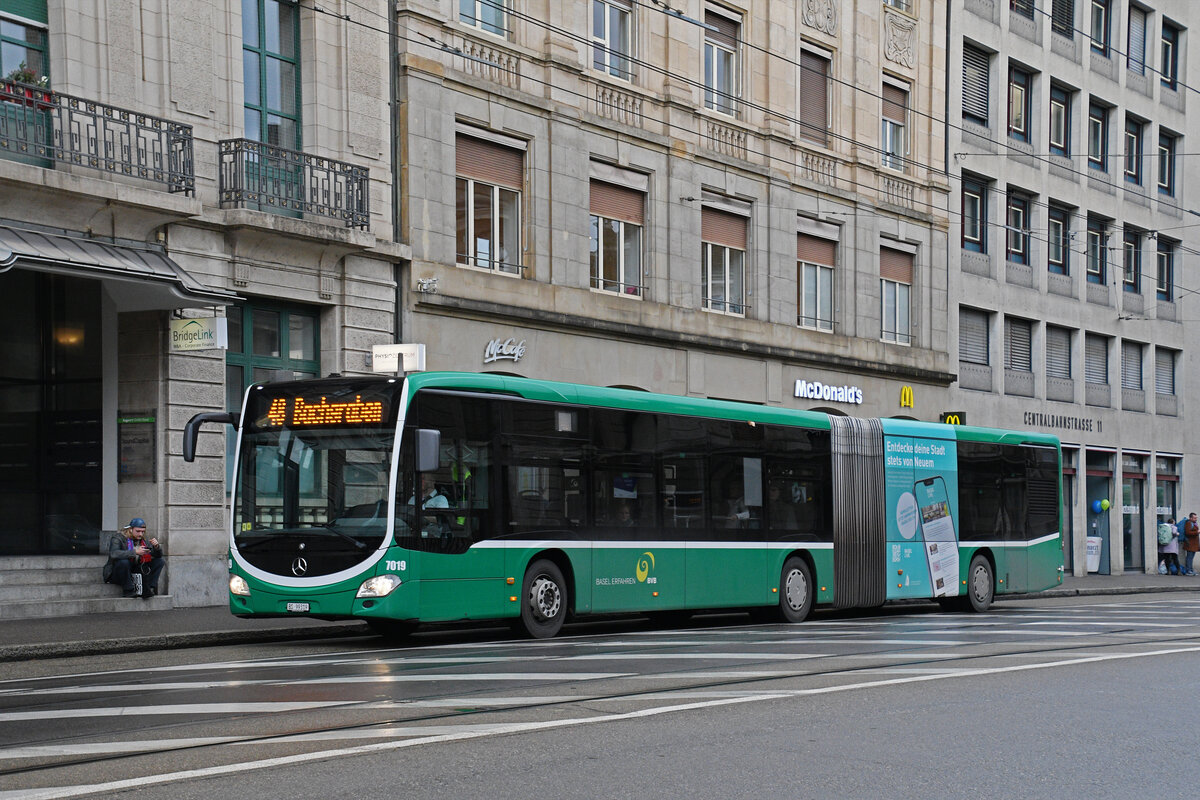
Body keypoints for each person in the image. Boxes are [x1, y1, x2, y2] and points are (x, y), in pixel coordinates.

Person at [102, 517, 164, 599]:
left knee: (159, 561)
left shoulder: (143, 540)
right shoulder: (118, 538)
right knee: (124, 562)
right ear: (130, 529)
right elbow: (114, 554)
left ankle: (149, 588)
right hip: (118, 572)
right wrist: (135, 552)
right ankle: (128, 590)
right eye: (138, 531)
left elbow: (158, 555)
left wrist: (156, 547)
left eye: (143, 532)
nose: (140, 534)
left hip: (136, 570)